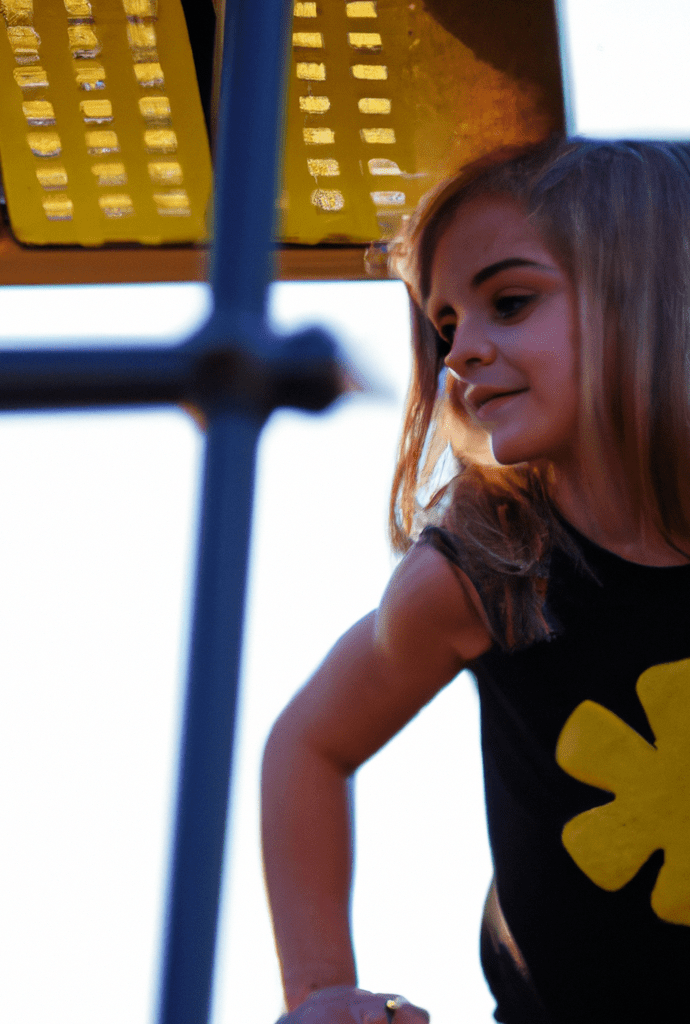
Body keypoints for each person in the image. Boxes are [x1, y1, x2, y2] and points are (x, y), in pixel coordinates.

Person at [261, 137, 690, 1024]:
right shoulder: (492, 567)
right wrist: (318, 991)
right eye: (447, 325)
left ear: (654, 295)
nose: (460, 353)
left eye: (510, 301)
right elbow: (310, 744)